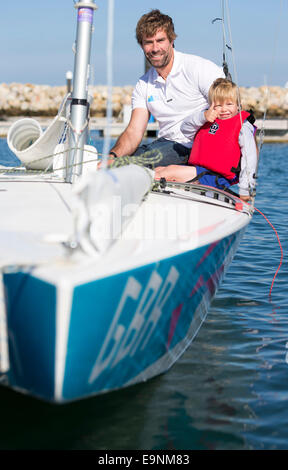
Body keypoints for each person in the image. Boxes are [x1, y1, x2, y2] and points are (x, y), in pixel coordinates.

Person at [108, 9, 224, 166]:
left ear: (171, 40)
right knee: (119, 164)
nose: (155, 48)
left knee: (133, 165)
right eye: (148, 42)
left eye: (160, 40)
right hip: (165, 145)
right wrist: (112, 157)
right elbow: (134, 132)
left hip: (195, 147)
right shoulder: (143, 85)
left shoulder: (198, 68)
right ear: (141, 45)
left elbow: (229, 109)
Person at [154, 78, 258, 201]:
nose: (224, 109)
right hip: (201, 172)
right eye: (218, 105)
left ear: (238, 105)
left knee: (168, 172)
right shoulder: (208, 119)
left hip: (216, 177)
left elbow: (249, 158)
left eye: (229, 104)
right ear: (211, 106)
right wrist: (203, 116)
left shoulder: (243, 126)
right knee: (159, 170)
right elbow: (185, 128)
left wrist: (245, 189)